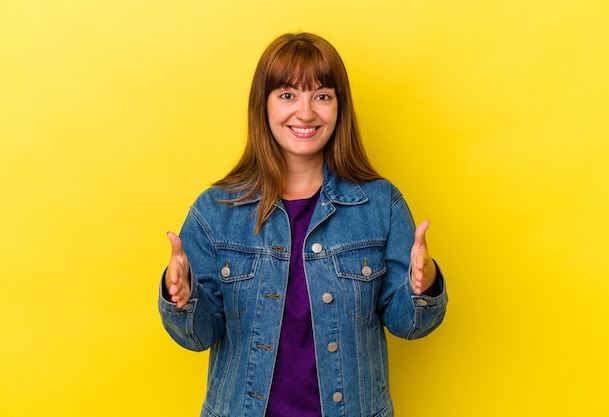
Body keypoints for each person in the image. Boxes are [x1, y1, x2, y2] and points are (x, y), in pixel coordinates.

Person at [159, 32, 448, 417]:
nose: (306, 112)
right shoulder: (217, 210)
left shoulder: (380, 204)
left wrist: (424, 285)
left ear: (339, 107)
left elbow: (408, 325)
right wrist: (179, 294)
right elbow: (199, 335)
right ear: (262, 105)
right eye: (287, 95)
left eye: (322, 95)